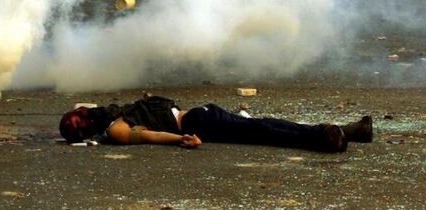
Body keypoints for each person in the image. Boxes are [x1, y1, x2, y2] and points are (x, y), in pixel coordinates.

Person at [59, 95, 373, 152]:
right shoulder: (115, 128)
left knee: (263, 128)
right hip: (197, 122)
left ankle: (347, 132)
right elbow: (150, 136)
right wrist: (182, 140)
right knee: (262, 130)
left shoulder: (109, 118)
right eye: (83, 119)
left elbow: (81, 107)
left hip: (199, 117)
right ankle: (328, 137)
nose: (88, 113)